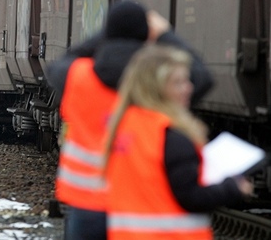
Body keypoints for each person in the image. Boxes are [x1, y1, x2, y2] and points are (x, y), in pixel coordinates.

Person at [46, 0, 214, 240]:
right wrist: (165, 34)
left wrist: (111, 32)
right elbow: (202, 76)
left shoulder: (78, 77)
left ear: (107, 33)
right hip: (136, 210)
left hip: (87, 207)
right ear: (146, 35)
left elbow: (60, 62)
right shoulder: (157, 84)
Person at [103, 45, 252, 240]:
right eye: (177, 83)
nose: (189, 88)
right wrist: (233, 188)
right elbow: (190, 197)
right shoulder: (172, 137)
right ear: (155, 88)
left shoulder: (122, 126)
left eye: (187, 80)